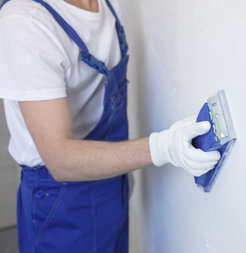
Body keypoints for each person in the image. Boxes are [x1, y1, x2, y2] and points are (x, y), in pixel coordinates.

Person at [0, 0, 220, 252]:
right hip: (61, 203)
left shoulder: (105, 3)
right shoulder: (24, 22)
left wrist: (118, 177)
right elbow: (59, 159)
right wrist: (164, 147)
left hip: (111, 180)